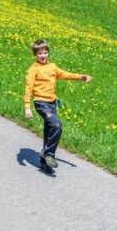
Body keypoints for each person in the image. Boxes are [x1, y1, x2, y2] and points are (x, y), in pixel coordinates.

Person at [24, 39, 92, 174]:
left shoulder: (53, 67)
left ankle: (44, 163)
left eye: (45, 52)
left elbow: (65, 74)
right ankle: (49, 154)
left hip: (52, 103)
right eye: (40, 53)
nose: (43, 56)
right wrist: (27, 106)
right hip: (40, 103)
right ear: (35, 55)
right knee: (57, 125)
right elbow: (28, 87)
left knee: (49, 130)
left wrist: (80, 77)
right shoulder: (34, 69)